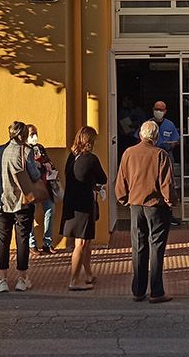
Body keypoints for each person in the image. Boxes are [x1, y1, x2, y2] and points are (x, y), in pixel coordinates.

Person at [115, 120, 175, 303]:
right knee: (156, 247)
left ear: (140, 135)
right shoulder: (160, 154)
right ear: (156, 137)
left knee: (138, 246)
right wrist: (170, 200)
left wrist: (123, 198)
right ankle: (156, 291)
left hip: (136, 205)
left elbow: (121, 178)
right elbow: (167, 182)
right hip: (155, 205)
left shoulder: (129, 153)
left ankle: (138, 290)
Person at [0, 121, 39, 293]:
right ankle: (22, 279)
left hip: (0, 201)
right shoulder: (27, 151)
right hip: (22, 201)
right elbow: (34, 174)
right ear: (23, 135)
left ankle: (2, 278)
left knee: (2, 240)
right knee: (22, 239)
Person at [61, 126, 107, 290]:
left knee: (86, 241)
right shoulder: (91, 159)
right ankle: (74, 280)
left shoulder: (71, 156)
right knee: (80, 243)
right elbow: (103, 177)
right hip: (84, 204)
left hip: (71, 203)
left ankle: (88, 274)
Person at [25, 124, 58, 255]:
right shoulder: (23, 149)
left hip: (44, 185)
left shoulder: (40, 148)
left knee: (50, 210)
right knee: (29, 214)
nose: (35, 136)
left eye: (36, 133)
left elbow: (49, 162)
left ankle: (47, 243)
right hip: (31, 187)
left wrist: (47, 165)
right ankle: (31, 243)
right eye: (32, 134)